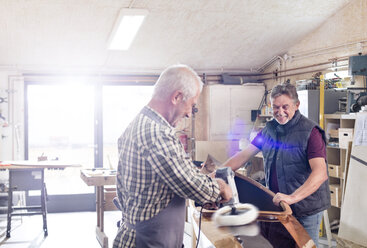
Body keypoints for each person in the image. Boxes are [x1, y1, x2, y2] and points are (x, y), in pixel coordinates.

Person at [113, 64, 232, 248]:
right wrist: (219, 187)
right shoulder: (156, 133)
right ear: (176, 97)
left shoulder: (143, 122)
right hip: (146, 242)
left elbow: (173, 178)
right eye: (191, 105)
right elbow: (190, 183)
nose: (188, 113)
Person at [224, 83, 330, 246]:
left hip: (305, 208)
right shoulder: (268, 131)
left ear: (297, 105)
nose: (280, 112)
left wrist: (293, 197)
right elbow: (244, 154)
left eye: (285, 107)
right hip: (278, 205)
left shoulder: (310, 132)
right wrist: (217, 172)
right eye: (276, 107)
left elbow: (320, 173)